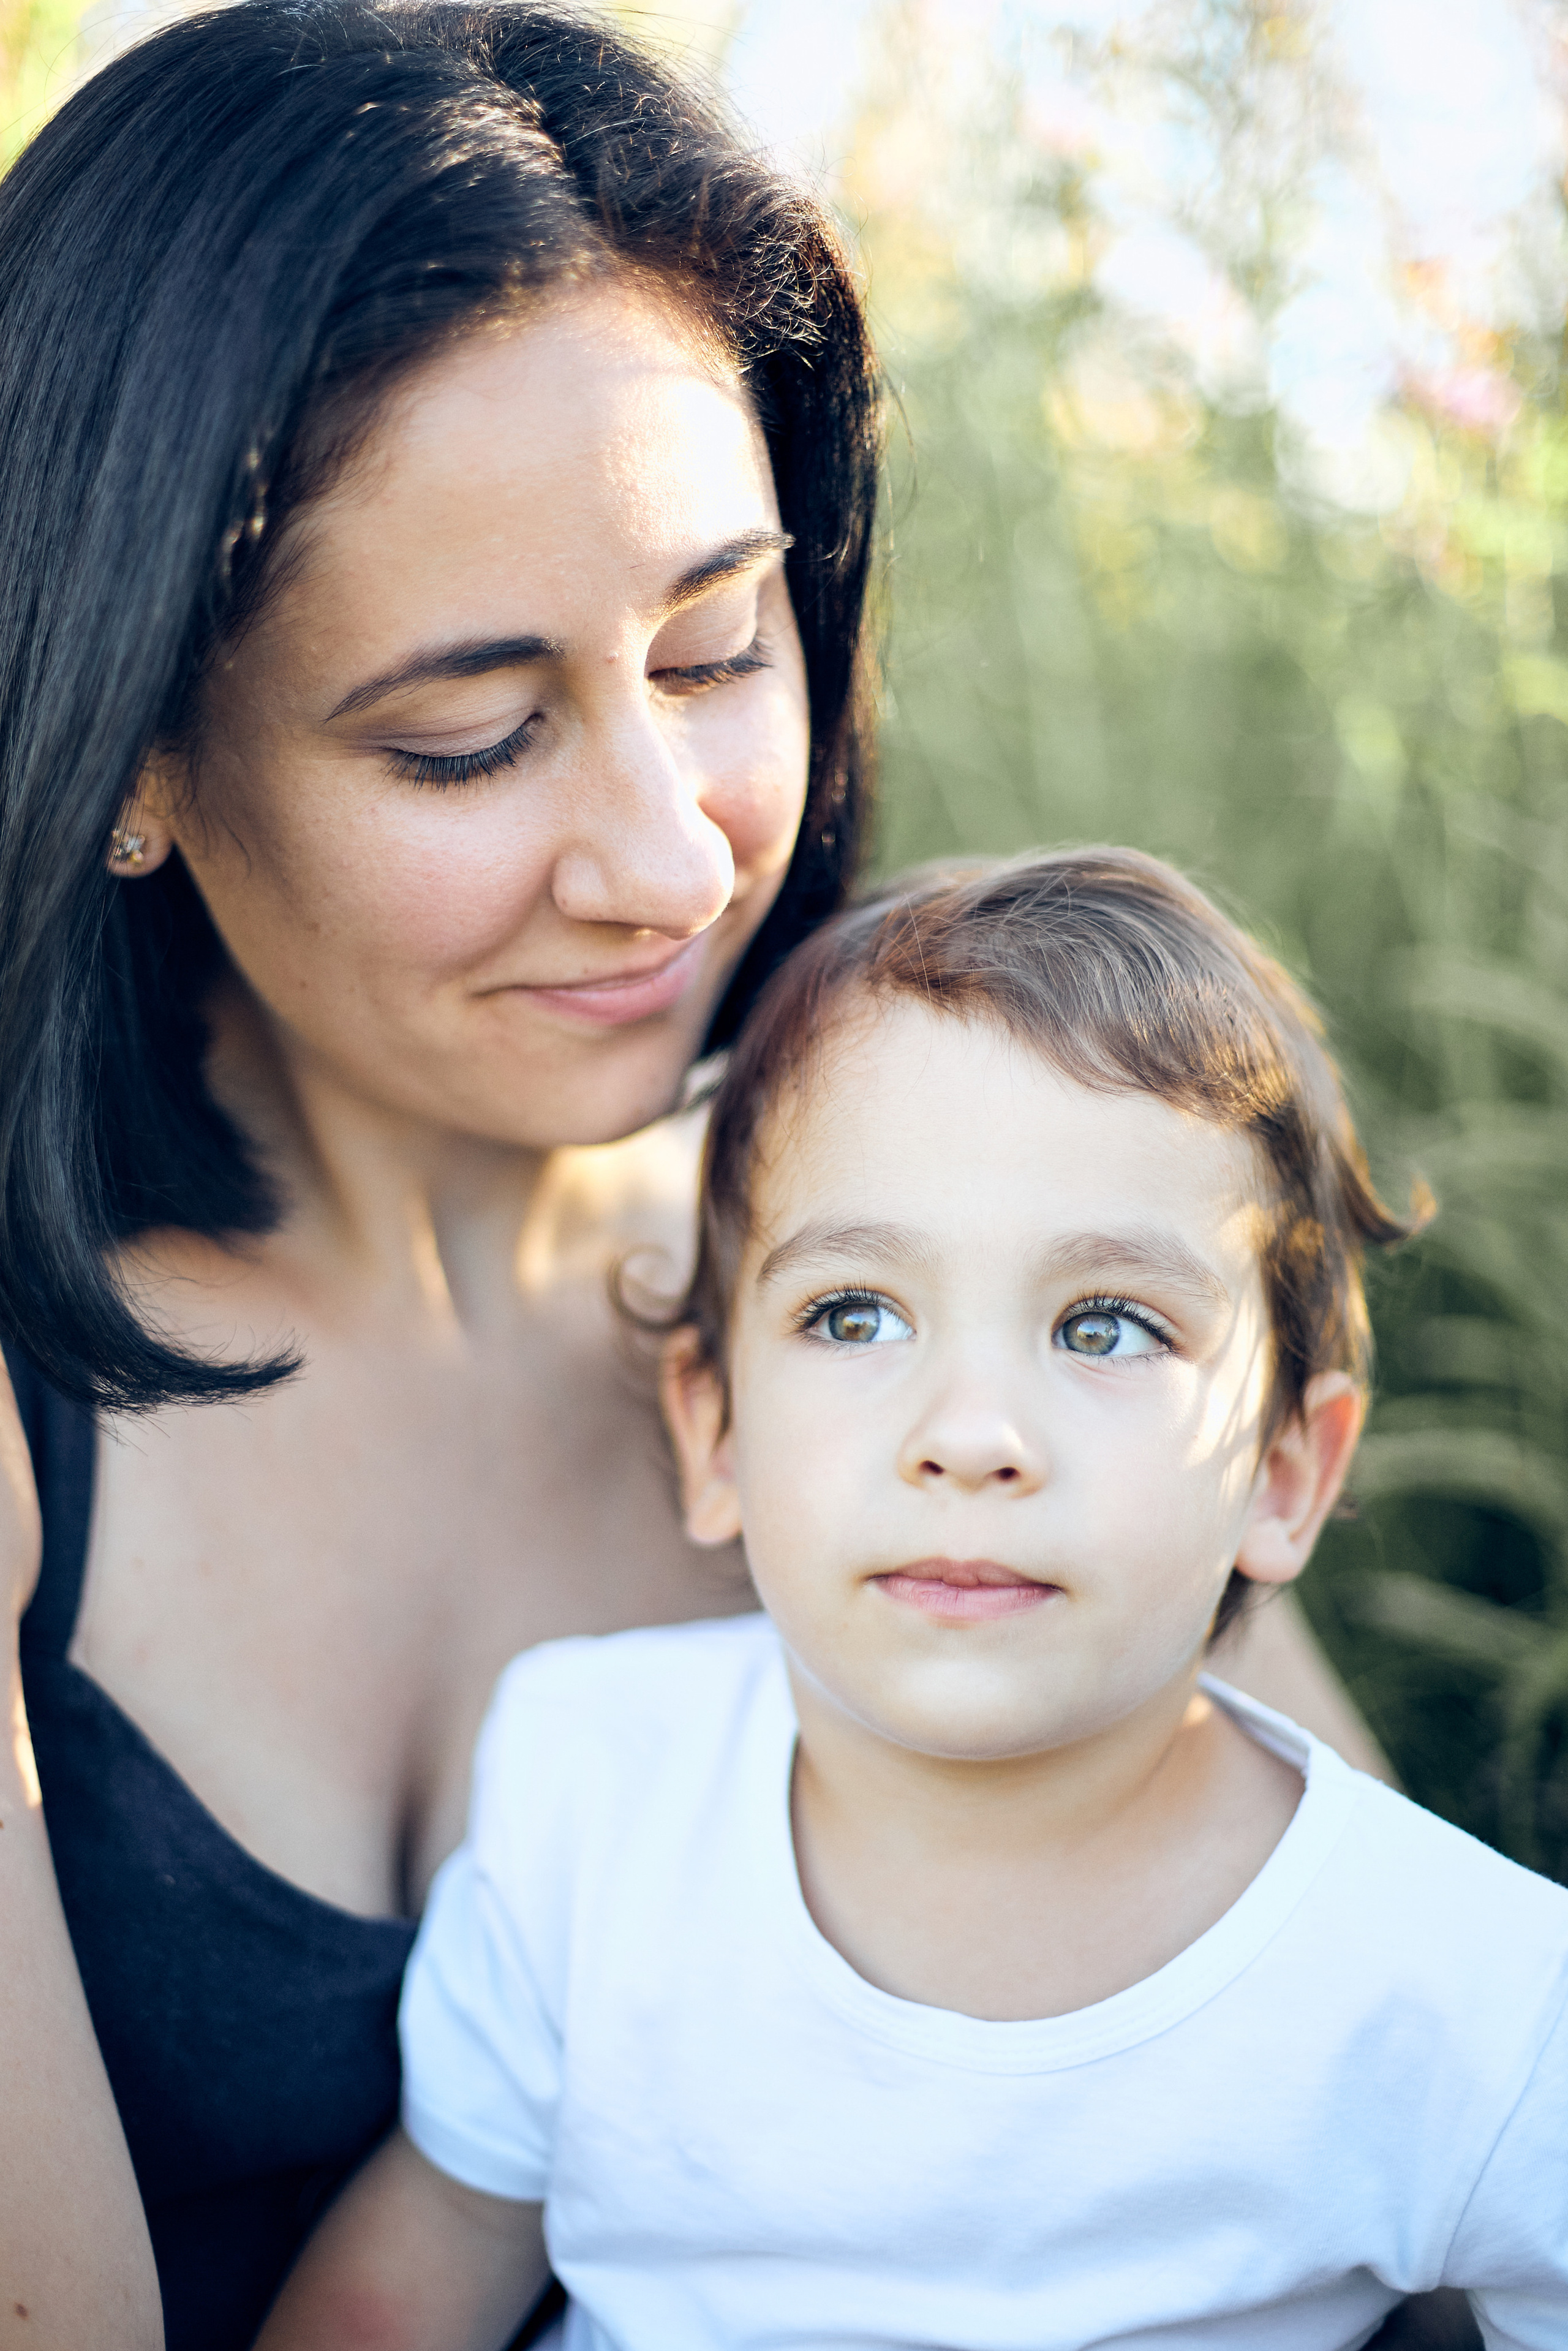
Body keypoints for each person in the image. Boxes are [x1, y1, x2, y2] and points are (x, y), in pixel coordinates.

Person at [0, 6, 1425, 2346]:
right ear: (125, 746)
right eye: (469, 738)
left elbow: (1371, 2030)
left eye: (719, 642)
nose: (673, 857)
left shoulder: (928, 1277)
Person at [256, 849, 1568, 2351]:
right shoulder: (596, 1789)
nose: (968, 1429)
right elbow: (423, 2258)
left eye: (1103, 1324)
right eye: (854, 1312)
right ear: (715, 1431)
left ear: (1281, 1472)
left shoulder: (1456, 1995)